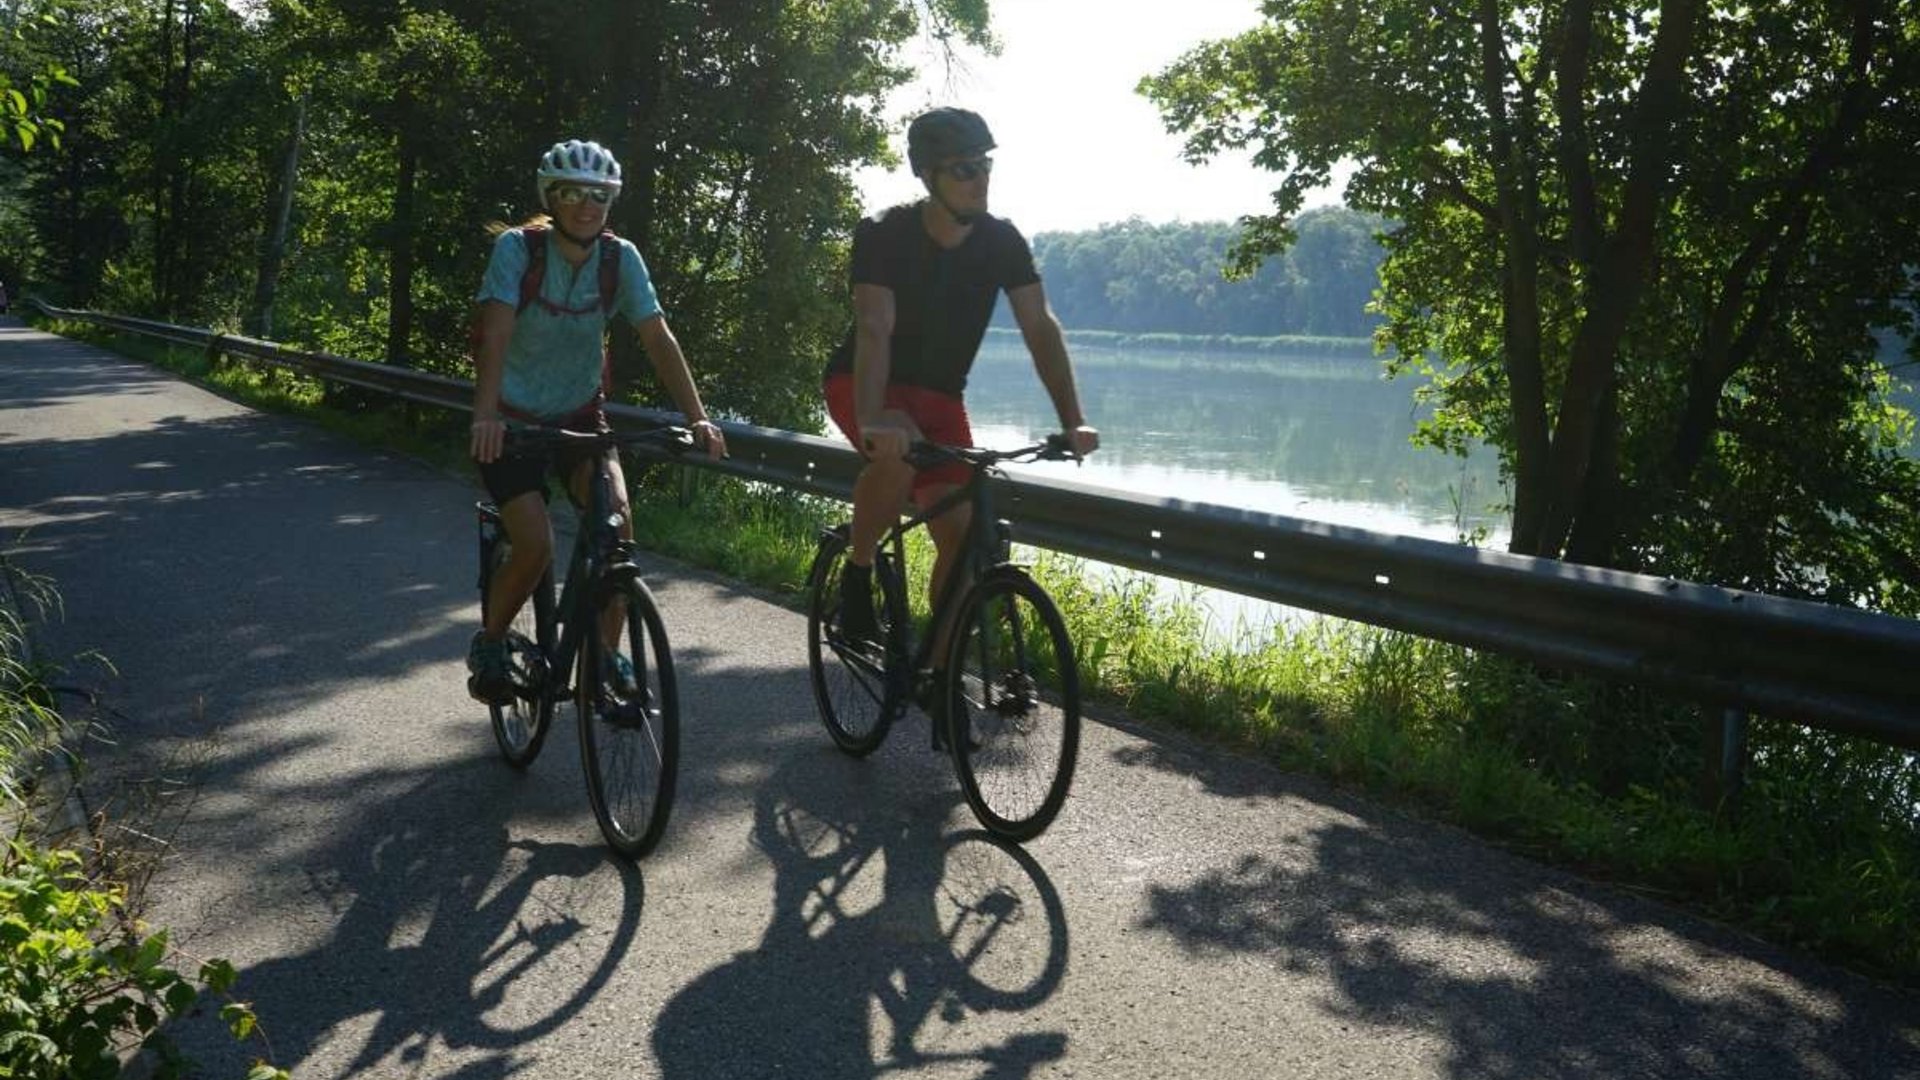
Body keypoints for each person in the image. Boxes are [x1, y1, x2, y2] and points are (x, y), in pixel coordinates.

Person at [821, 106, 1099, 744]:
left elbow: (1039, 327)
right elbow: (874, 327)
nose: (980, 179)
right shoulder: (885, 233)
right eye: (964, 169)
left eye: (985, 166)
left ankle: (941, 681)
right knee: (894, 458)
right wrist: (875, 417)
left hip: (941, 397)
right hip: (864, 381)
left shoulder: (1002, 240)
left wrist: (1073, 421)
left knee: (963, 535)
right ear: (929, 175)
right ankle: (858, 573)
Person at [467, 138, 725, 704]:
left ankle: (604, 660)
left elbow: (657, 337)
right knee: (534, 545)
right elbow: (497, 332)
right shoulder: (518, 250)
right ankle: (490, 641)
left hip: (581, 415)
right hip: (511, 421)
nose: (588, 205)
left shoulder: (619, 258)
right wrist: (485, 415)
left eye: (600, 195)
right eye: (573, 194)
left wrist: (699, 418)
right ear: (552, 198)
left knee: (617, 533)